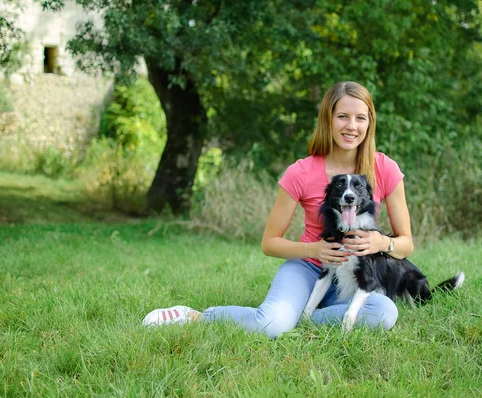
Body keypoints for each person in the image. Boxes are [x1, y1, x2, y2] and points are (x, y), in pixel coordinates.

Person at [142, 81, 414, 338]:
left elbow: (406, 244)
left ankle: (298, 318)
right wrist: (313, 250)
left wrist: (382, 242)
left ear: (370, 122)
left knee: (384, 313)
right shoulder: (301, 172)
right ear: (328, 120)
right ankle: (194, 316)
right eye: (342, 116)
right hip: (310, 268)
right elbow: (269, 243)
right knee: (270, 324)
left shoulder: (385, 168)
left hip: (357, 276)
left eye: (360, 118)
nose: (351, 126)